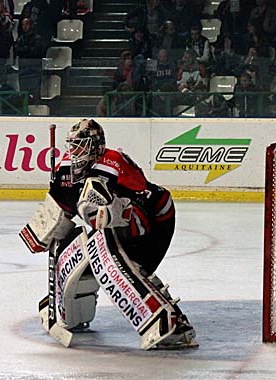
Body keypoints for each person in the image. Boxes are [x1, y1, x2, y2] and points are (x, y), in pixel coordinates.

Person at [47, 119, 197, 349]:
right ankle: (73, 311)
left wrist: (117, 215)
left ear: (96, 146)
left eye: (80, 145)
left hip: (156, 218)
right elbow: (61, 210)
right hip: (117, 222)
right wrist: (45, 228)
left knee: (118, 257)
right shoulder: (65, 168)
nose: (74, 151)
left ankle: (174, 325)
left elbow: (145, 202)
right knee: (90, 245)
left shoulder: (115, 164)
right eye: (72, 145)